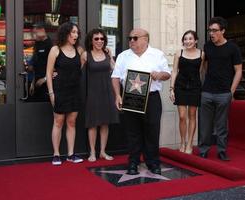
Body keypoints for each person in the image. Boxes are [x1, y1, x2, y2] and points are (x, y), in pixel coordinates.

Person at [111, 28, 171, 175]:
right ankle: (133, 162)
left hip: (152, 98)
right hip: (131, 97)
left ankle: (153, 163)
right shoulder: (123, 56)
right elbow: (115, 77)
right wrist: (118, 95)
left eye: (135, 38)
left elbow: (167, 74)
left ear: (145, 39)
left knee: (152, 131)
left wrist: (159, 75)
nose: (131, 41)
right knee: (132, 132)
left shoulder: (157, 54)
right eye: (129, 38)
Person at [198, 17, 242, 161]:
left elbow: (239, 71)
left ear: (223, 31)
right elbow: (204, 66)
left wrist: (231, 92)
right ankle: (203, 149)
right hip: (207, 92)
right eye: (210, 30)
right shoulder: (207, 46)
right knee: (205, 124)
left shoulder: (233, 48)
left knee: (222, 124)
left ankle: (222, 150)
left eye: (215, 30)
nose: (211, 33)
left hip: (224, 93)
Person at [46, 22, 84, 165]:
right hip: (59, 91)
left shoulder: (79, 50)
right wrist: (51, 93)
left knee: (72, 122)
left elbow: (80, 68)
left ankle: (71, 154)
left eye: (77, 32)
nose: (76, 35)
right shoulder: (55, 50)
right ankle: (56, 154)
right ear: (66, 33)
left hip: (74, 91)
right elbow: (49, 74)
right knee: (58, 122)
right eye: (73, 32)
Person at [81, 28, 119, 162]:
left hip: (107, 92)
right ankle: (92, 152)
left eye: (102, 39)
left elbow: (115, 70)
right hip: (93, 93)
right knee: (93, 123)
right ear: (91, 41)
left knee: (105, 123)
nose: (99, 41)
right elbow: (79, 74)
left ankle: (102, 151)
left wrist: (112, 56)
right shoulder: (86, 55)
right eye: (96, 38)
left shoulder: (107, 53)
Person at [169, 30, 203, 154]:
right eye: (185, 39)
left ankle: (189, 144)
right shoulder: (179, 53)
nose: (187, 41)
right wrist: (171, 89)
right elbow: (174, 71)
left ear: (196, 41)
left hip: (195, 87)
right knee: (182, 117)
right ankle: (182, 142)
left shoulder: (202, 54)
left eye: (190, 39)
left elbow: (201, 71)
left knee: (192, 115)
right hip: (180, 86)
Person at [29, 23, 53, 101]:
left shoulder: (51, 45)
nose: (33, 36)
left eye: (35, 33)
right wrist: (32, 83)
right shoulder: (37, 44)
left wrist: (44, 79)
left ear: (42, 31)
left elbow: (56, 66)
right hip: (36, 83)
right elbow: (36, 65)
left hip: (47, 84)